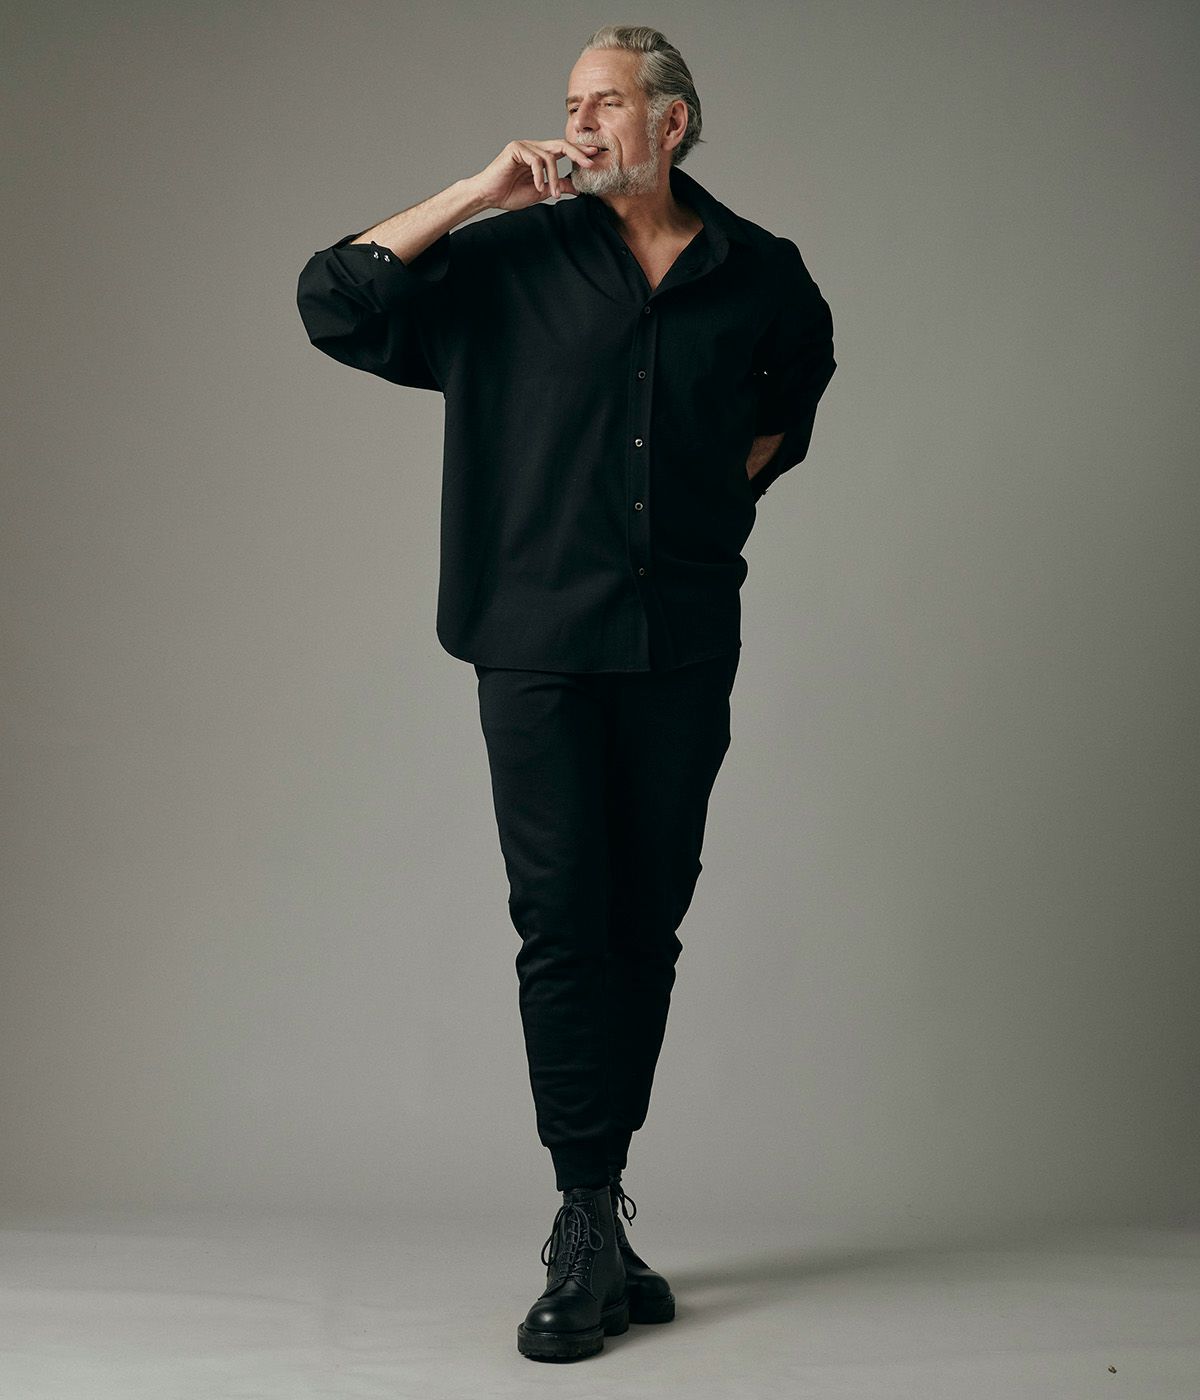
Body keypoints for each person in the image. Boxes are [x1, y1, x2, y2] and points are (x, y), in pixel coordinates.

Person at [296, 23, 837, 1363]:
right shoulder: (507, 259)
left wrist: (694, 519)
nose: (579, 122)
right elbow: (336, 299)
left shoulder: (760, 273)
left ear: (674, 121)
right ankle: (583, 1212)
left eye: (605, 102)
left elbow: (784, 411)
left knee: (647, 922)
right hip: (534, 640)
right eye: (571, 103)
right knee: (560, 920)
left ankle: (601, 1209)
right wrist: (477, 190)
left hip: (681, 641)